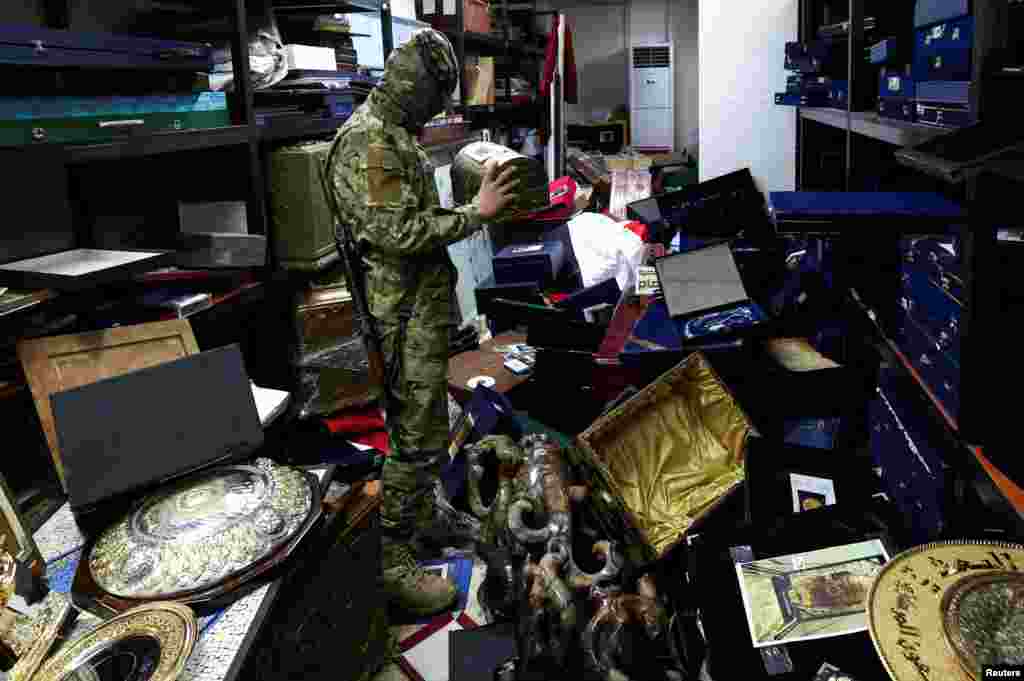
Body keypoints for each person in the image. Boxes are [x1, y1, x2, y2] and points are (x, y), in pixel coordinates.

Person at [325, 26, 520, 628]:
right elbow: (395, 233)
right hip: (401, 316)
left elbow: (409, 216)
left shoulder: (392, 136)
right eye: (434, 96)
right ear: (414, 88)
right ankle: (390, 562)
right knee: (414, 439)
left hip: (419, 310)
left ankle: (422, 517)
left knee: (429, 426)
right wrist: (474, 215)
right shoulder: (368, 143)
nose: (437, 109)